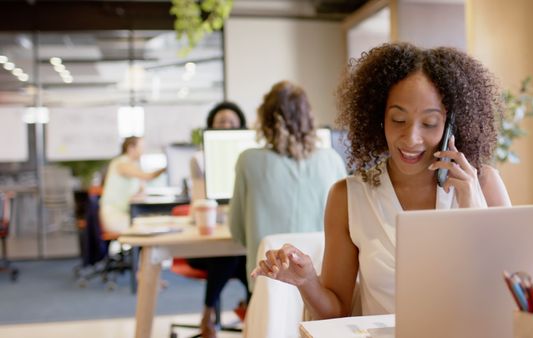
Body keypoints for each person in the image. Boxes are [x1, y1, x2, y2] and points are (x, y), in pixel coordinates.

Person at [251, 43, 512, 319]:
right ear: (379, 117)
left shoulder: (483, 185)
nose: (411, 138)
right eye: (398, 119)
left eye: (430, 123)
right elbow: (335, 313)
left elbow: (511, 298)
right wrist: (307, 282)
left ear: (452, 125)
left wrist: (473, 208)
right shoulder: (348, 196)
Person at [228, 80, 348, 291]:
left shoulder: (248, 161)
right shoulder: (332, 160)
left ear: (265, 120)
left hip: (269, 284)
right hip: (322, 285)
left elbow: (237, 231)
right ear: (309, 119)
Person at [186, 101, 249, 338]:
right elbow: (201, 201)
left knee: (250, 259)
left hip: (237, 240)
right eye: (221, 121)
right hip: (207, 245)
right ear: (211, 125)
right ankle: (208, 314)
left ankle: (250, 315)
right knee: (228, 255)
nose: (226, 126)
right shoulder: (200, 159)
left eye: (232, 122)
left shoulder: (250, 158)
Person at [99, 136, 165, 233]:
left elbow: (141, 188)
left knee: (151, 223)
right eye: (141, 147)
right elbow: (148, 176)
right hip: (114, 215)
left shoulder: (133, 165)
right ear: (131, 148)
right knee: (149, 228)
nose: (143, 151)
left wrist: (141, 192)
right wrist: (166, 168)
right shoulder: (121, 163)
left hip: (125, 212)